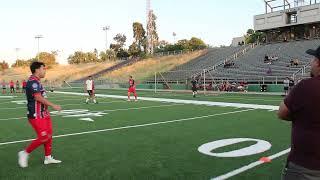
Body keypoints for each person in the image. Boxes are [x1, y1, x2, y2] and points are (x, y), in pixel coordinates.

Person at [278, 46, 320, 180]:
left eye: (314, 59)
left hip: (306, 166)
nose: (311, 62)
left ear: (318, 62)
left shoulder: (306, 86)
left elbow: (282, 113)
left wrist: (301, 117)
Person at [18, 61, 62, 168]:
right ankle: (25, 153)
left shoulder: (37, 81)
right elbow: (38, 97)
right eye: (43, 68)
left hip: (43, 114)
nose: (45, 70)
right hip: (36, 115)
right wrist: (53, 105)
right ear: (37, 69)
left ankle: (48, 158)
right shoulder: (33, 82)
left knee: (49, 135)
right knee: (44, 137)